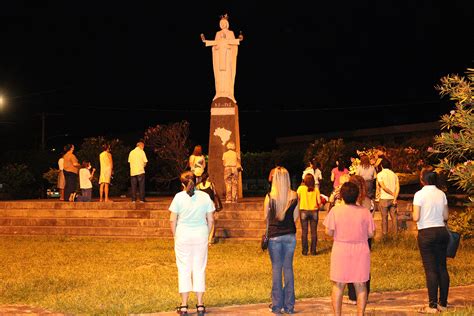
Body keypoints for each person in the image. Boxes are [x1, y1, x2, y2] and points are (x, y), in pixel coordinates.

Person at [323, 182, 375, 316]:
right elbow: (371, 234)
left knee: (338, 285)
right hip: (361, 250)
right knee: (361, 285)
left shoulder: (336, 211)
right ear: (357, 195)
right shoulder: (365, 212)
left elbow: (328, 232)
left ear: (342, 196)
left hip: (341, 249)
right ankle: (360, 314)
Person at [169, 171, 215, 316]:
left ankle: (183, 306)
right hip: (200, 234)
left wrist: (175, 235)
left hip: (183, 235)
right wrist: (206, 234)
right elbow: (211, 220)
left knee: (184, 269)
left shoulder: (178, 197)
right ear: (196, 181)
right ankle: (200, 305)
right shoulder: (205, 196)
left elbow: (172, 220)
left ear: (182, 183)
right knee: (199, 268)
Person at [412, 166, 450, 313]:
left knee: (430, 270)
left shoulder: (419, 195)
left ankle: (432, 306)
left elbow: (416, 217)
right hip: (441, 232)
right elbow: (446, 216)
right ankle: (444, 304)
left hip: (426, 233)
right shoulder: (441, 194)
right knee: (442, 267)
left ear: (422, 179)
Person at [264, 167, 299, 314]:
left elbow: (265, 217)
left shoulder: (270, 196)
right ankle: (290, 306)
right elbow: (296, 217)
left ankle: (277, 306)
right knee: (288, 269)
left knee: (277, 270)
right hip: (290, 236)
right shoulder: (294, 195)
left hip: (274, 236)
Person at [200, 14, 244, 103]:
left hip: (227, 58)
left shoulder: (231, 33)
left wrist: (237, 40)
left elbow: (234, 44)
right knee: (219, 76)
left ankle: (229, 93)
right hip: (219, 58)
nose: (223, 24)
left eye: (224, 22)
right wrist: (210, 44)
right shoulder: (218, 34)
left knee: (227, 75)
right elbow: (214, 44)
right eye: (221, 23)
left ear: (227, 23)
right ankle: (219, 93)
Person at [346, 175, 374, 305]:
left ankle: (352, 296)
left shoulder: (348, 203)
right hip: (365, 238)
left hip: (350, 237)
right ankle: (364, 294)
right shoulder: (369, 202)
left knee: (350, 266)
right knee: (364, 267)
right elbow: (370, 223)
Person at [297, 173, 321, 256]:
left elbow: (298, 198)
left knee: (304, 232)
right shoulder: (316, 189)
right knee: (314, 232)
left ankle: (305, 251)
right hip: (314, 211)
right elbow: (319, 202)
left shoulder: (300, 188)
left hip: (303, 210)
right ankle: (313, 251)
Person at [376, 159, 400, 235]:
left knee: (384, 218)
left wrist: (392, 194)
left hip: (384, 198)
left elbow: (383, 187)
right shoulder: (394, 174)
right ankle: (396, 235)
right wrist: (395, 197)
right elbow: (398, 187)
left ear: (381, 165)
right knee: (394, 218)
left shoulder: (380, 174)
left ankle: (385, 235)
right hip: (393, 199)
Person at [196, 172, 220, 244]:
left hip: (201, 206)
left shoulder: (198, 186)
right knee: (211, 222)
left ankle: (203, 239)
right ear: (208, 177)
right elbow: (215, 194)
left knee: (203, 222)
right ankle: (209, 240)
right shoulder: (211, 184)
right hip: (210, 205)